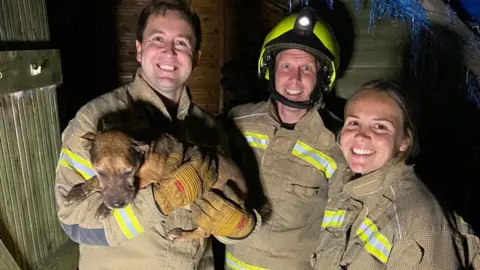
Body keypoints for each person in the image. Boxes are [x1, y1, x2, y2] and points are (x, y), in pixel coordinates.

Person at [55, 1, 258, 269]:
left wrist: (237, 228)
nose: (169, 52)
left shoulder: (211, 128)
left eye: (182, 43)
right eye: (158, 38)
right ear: (139, 49)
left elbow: (225, 207)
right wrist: (157, 202)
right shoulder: (94, 123)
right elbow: (73, 223)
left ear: (196, 58)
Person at [222, 6, 348, 269]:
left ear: (323, 78)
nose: (295, 78)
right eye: (287, 65)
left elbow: (337, 235)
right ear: (271, 69)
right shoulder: (237, 122)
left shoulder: (339, 145)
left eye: (307, 68)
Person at [311, 79, 480, 269]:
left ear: (404, 141)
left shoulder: (417, 219)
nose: (361, 135)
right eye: (354, 123)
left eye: (380, 126)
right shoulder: (345, 186)